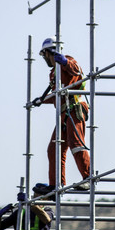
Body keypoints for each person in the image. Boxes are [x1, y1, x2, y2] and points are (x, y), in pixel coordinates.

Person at [31, 37, 91, 194]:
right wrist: (41, 100)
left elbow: (77, 71)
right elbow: (56, 96)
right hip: (64, 113)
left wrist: (64, 62)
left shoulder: (68, 62)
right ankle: (56, 184)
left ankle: (88, 178)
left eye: (45, 55)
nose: (45, 59)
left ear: (49, 52)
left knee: (76, 143)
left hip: (75, 108)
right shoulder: (53, 73)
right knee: (54, 148)